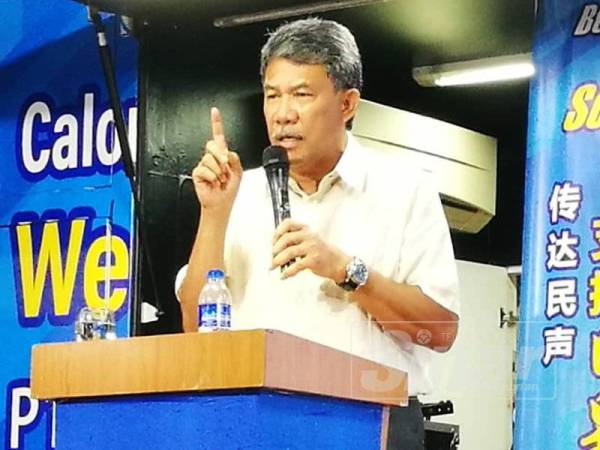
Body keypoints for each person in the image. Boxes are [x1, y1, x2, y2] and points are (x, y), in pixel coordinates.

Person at [176, 17, 459, 450]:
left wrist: (348, 271)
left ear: (347, 104)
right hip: (254, 422)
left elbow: (439, 332)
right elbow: (196, 332)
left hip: (372, 422)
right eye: (272, 95)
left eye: (301, 94)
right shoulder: (238, 192)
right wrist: (214, 215)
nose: (283, 114)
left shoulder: (404, 189)